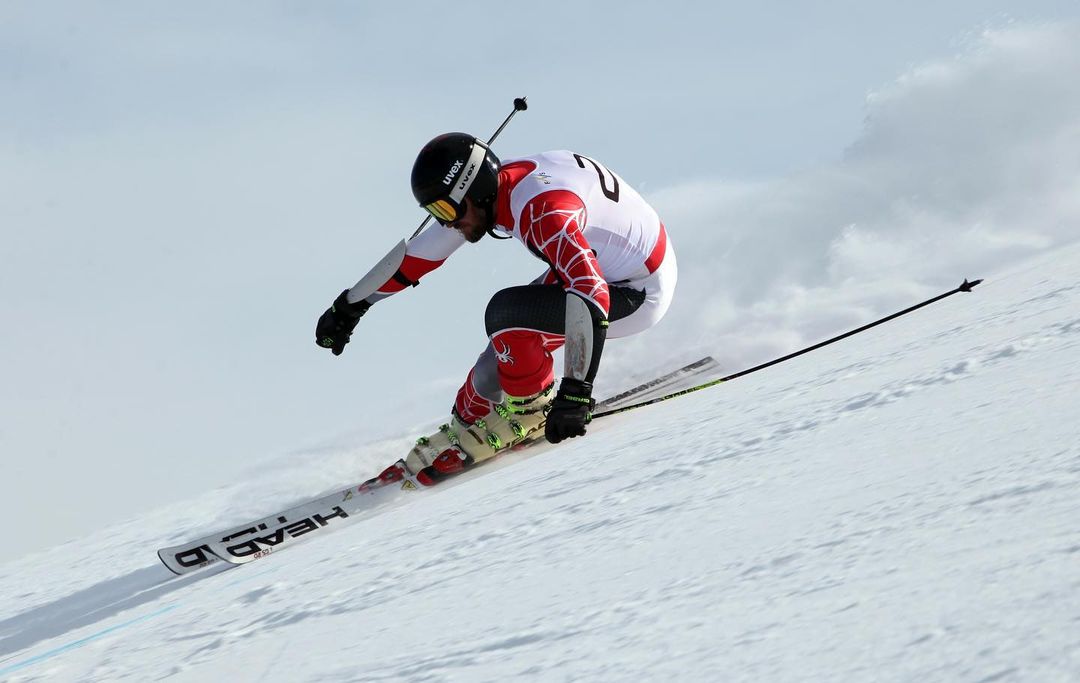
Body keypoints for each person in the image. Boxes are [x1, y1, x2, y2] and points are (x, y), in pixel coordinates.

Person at [316, 133, 677, 486]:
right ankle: (469, 423)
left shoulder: (541, 211)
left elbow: (591, 291)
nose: (446, 222)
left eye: (446, 210)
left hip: (637, 291)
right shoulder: (490, 191)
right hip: (606, 267)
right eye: (435, 212)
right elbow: (421, 256)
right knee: (491, 372)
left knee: (506, 316)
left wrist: (575, 393)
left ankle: (531, 411)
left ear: (472, 192)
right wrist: (350, 305)